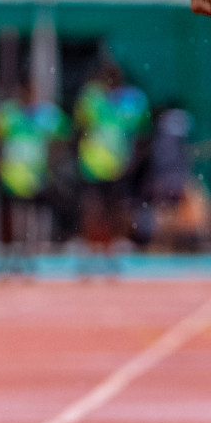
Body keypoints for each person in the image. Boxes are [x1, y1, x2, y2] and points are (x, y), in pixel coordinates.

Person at [72, 60, 148, 278]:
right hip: (92, 165)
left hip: (118, 166)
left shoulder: (132, 101)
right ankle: (93, 250)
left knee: (115, 210)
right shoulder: (91, 99)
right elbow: (80, 129)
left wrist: (134, 160)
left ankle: (110, 252)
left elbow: (142, 134)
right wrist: (80, 155)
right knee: (93, 210)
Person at [0, 80, 69, 278]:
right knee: (9, 217)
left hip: (34, 177)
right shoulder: (7, 115)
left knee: (30, 218)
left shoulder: (45, 115)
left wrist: (51, 160)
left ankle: (27, 257)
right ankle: (7, 257)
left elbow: (64, 136)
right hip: (10, 175)